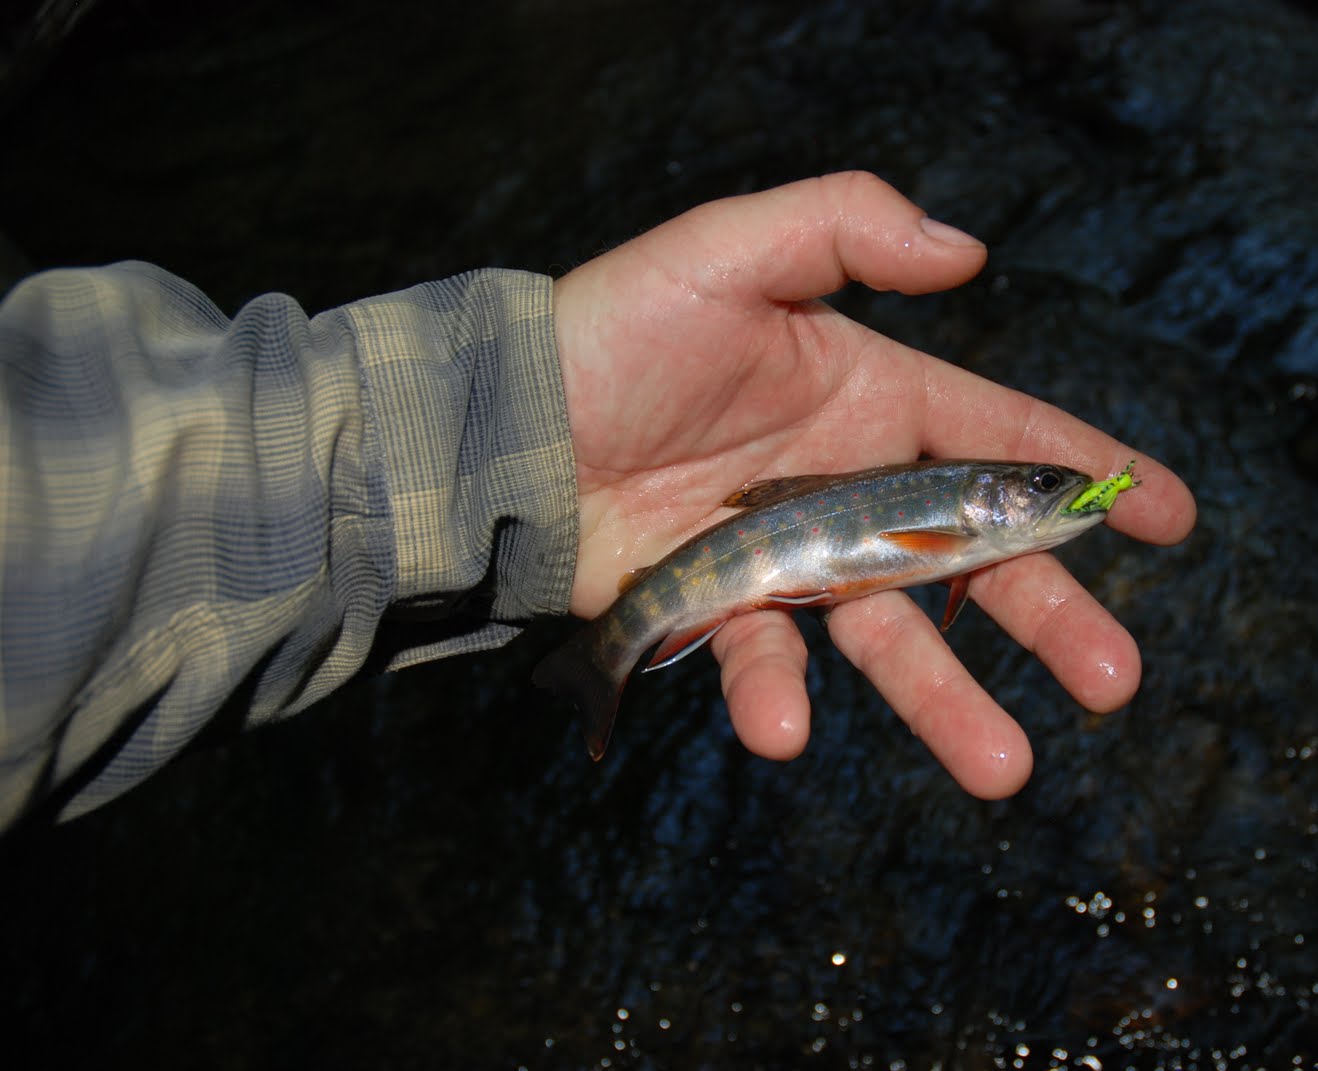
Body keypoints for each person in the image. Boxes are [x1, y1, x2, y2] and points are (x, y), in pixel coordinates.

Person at [0, 172, 1196, 829]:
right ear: (986, 505)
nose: (1058, 498)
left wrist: (499, 420)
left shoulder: (952, 527)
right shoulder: (949, 524)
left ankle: (604, 660)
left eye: (1047, 493)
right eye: (1041, 491)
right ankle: (604, 661)